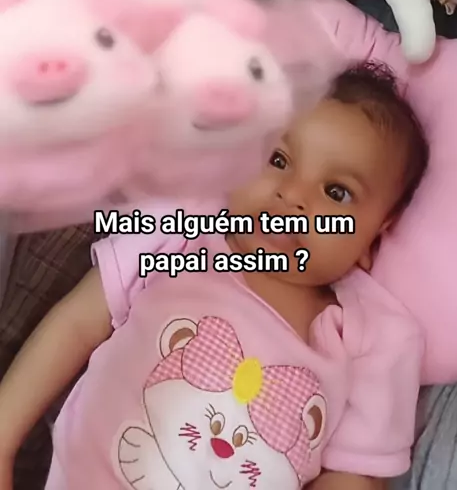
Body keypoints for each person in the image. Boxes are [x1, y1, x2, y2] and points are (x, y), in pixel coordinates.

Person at [0, 62, 429, 490]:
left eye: (337, 192)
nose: (293, 197)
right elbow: (77, 323)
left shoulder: (377, 338)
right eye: (278, 159)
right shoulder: (183, 228)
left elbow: (354, 476)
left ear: (378, 231)